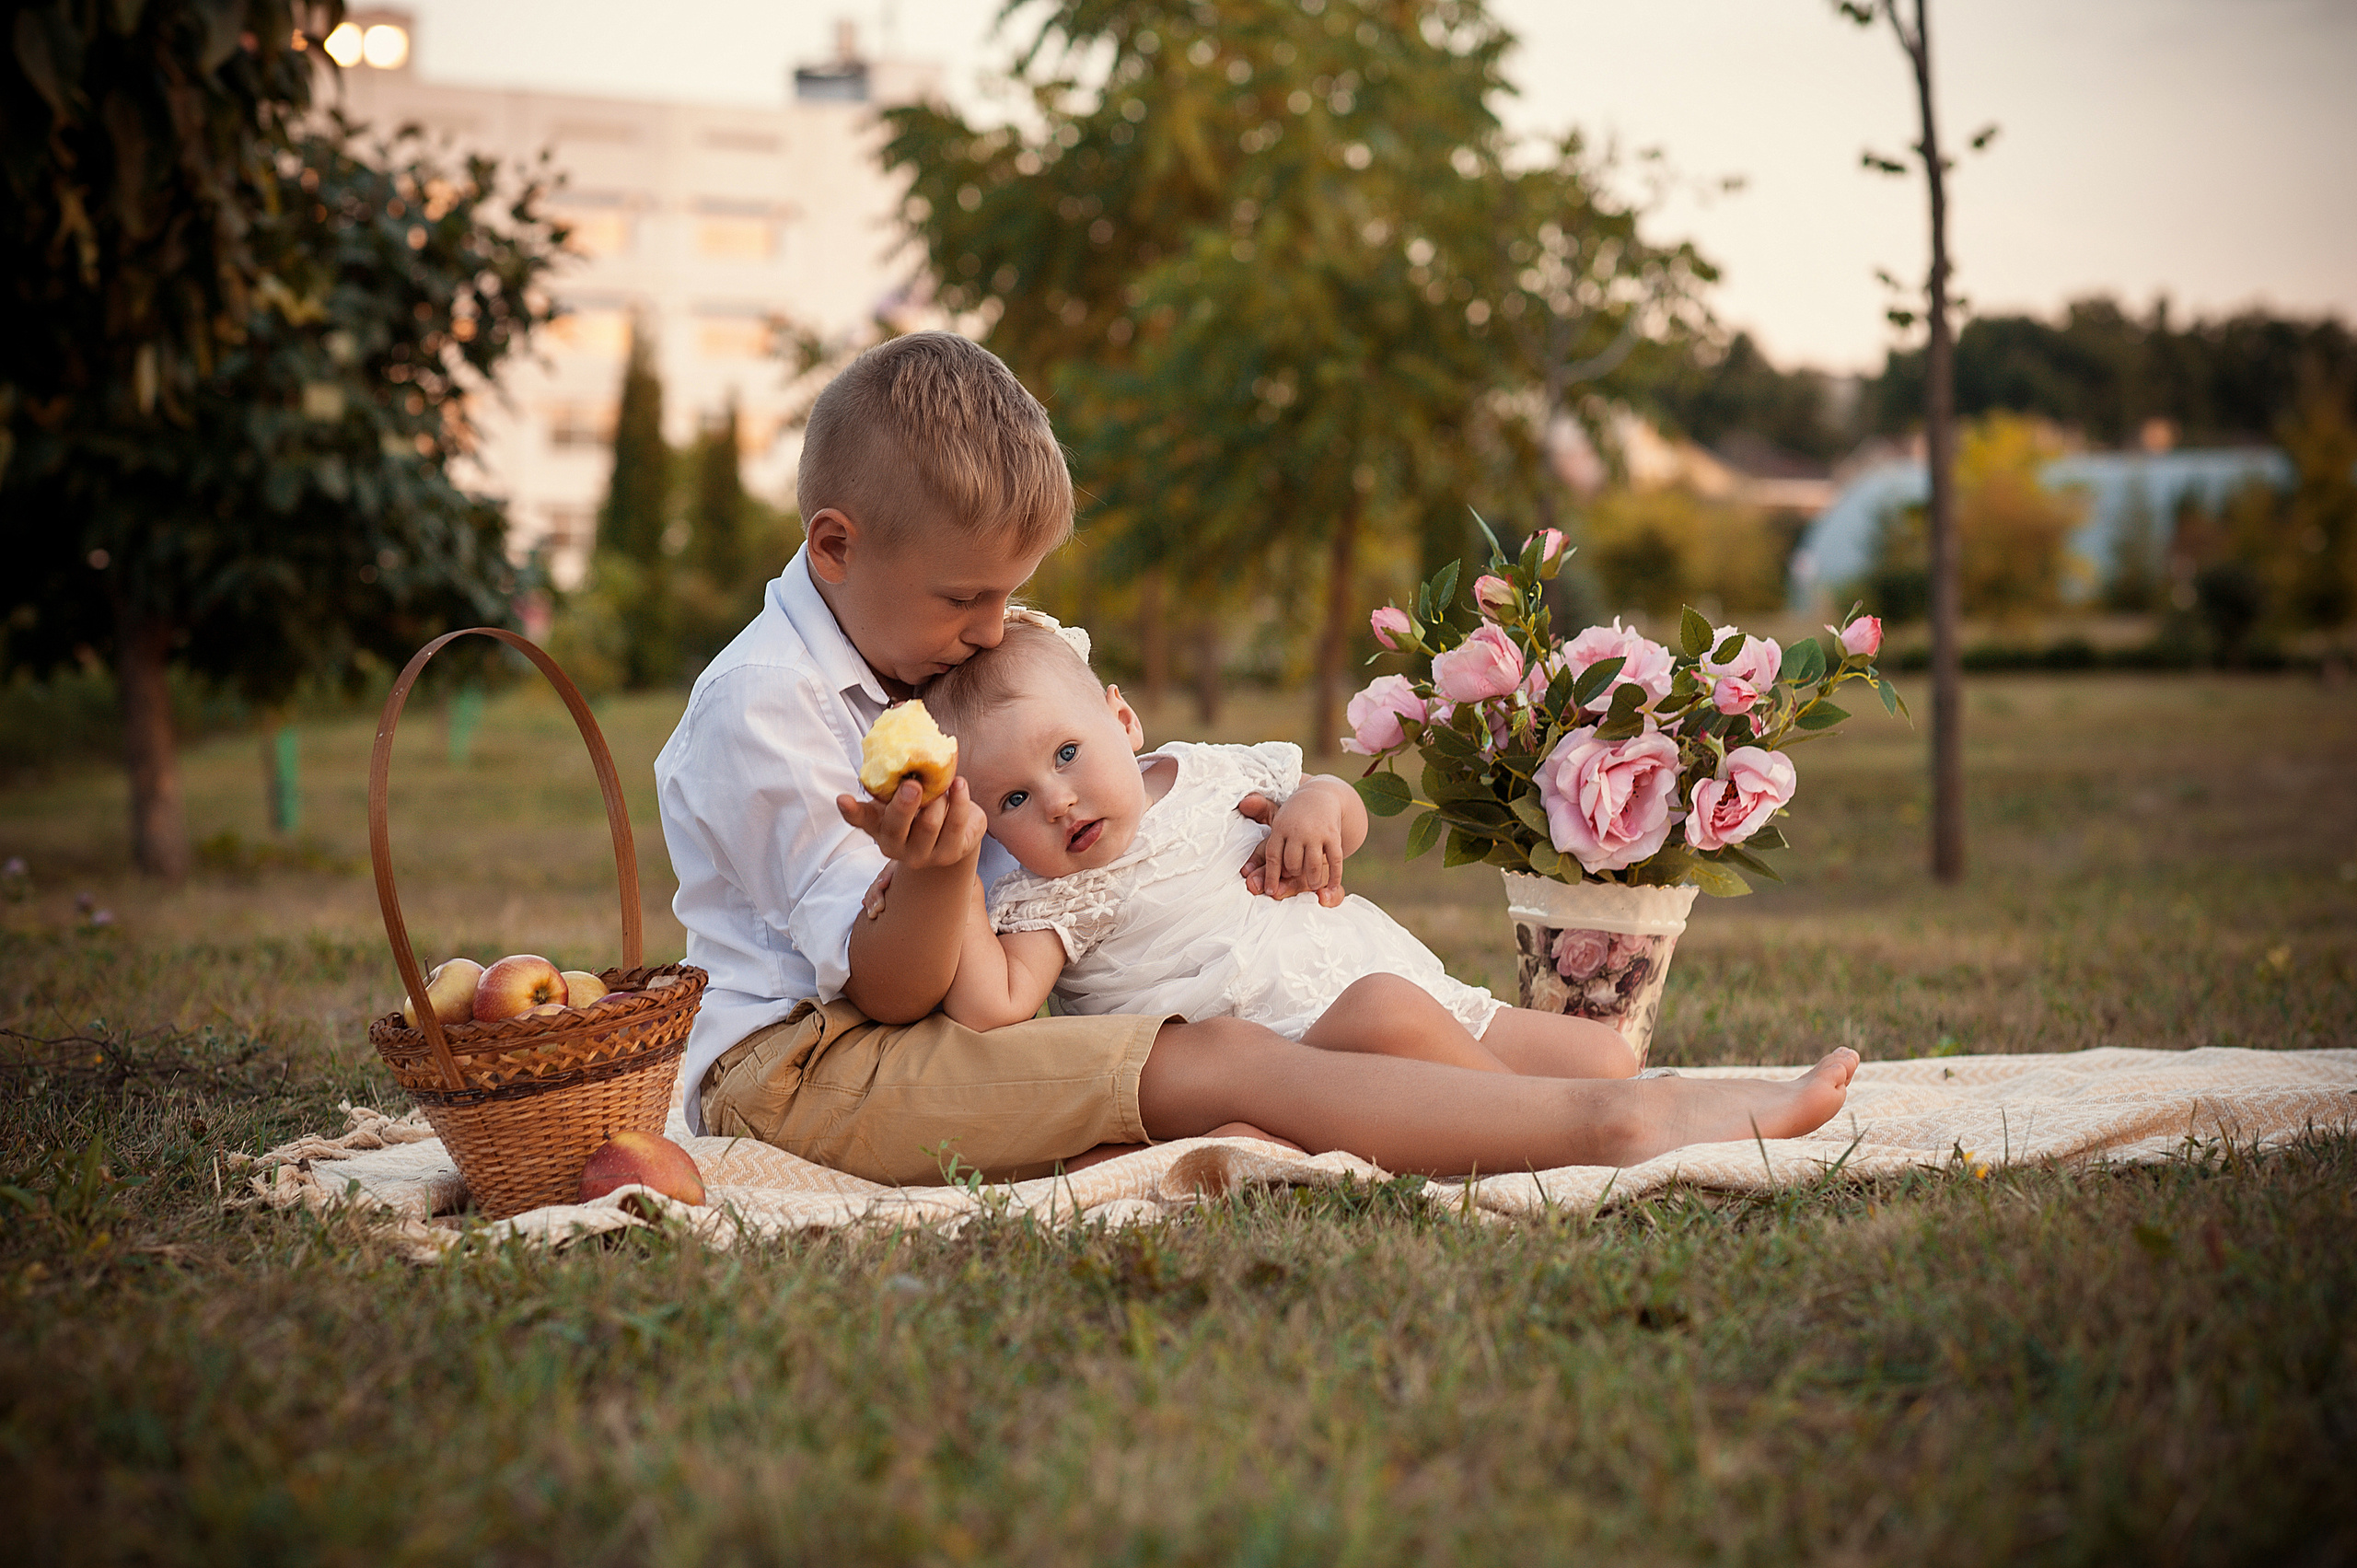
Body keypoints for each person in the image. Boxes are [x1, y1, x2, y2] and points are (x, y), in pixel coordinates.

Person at [656, 330, 1856, 1189]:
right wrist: (934, 869)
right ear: (834, 546)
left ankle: (1587, 1092)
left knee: (1246, 1046)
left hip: (933, 1027)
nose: (991, 632)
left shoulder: (934, 656)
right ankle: (1609, 1126)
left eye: (1008, 597)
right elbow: (889, 991)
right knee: (1230, 1060)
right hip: (811, 1066)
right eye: (967, 600)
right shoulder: (765, 704)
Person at [914, 613, 1643, 1083]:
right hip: (1307, 1058)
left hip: (1396, 981)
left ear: (1124, 718)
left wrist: (1321, 805)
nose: (1056, 799)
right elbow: (991, 1005)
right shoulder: (1051, 894)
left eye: (1067, 752)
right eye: (1013, 800)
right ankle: (1524, 1119)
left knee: (1606, 1058)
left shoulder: (1209, 772)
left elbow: (1345, 821)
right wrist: (954, 873)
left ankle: (1519, 1098)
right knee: (1384, 1013)